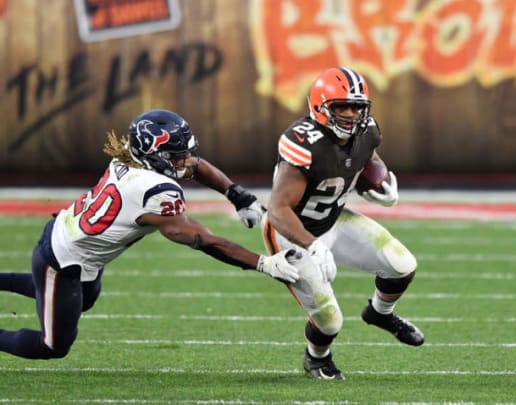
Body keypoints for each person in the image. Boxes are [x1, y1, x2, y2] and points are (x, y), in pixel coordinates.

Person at [0, 109, 300, 360]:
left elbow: (196, 166)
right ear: (156, 155)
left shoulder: (129, 156)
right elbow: (202, 239)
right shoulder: (153, 190)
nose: (186, 161)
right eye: (177, 156)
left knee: (82, 300)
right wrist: (264, 263)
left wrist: (237, 194)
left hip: (72, 239)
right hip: (62, 259)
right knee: (52, 346)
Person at [262, 66, 424, 381]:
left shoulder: (367, 131)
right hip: (293, 234)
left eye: (357, 107)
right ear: (321, 107)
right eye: (341, 107)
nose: (351, 114)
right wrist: (312, 245)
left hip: (334, 219)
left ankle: (380, 313)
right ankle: (316, 358)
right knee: (330, 321)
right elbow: (278, 210)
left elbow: (369, 157)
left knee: (402, 265)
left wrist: (381, 182)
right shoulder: (305, 143)